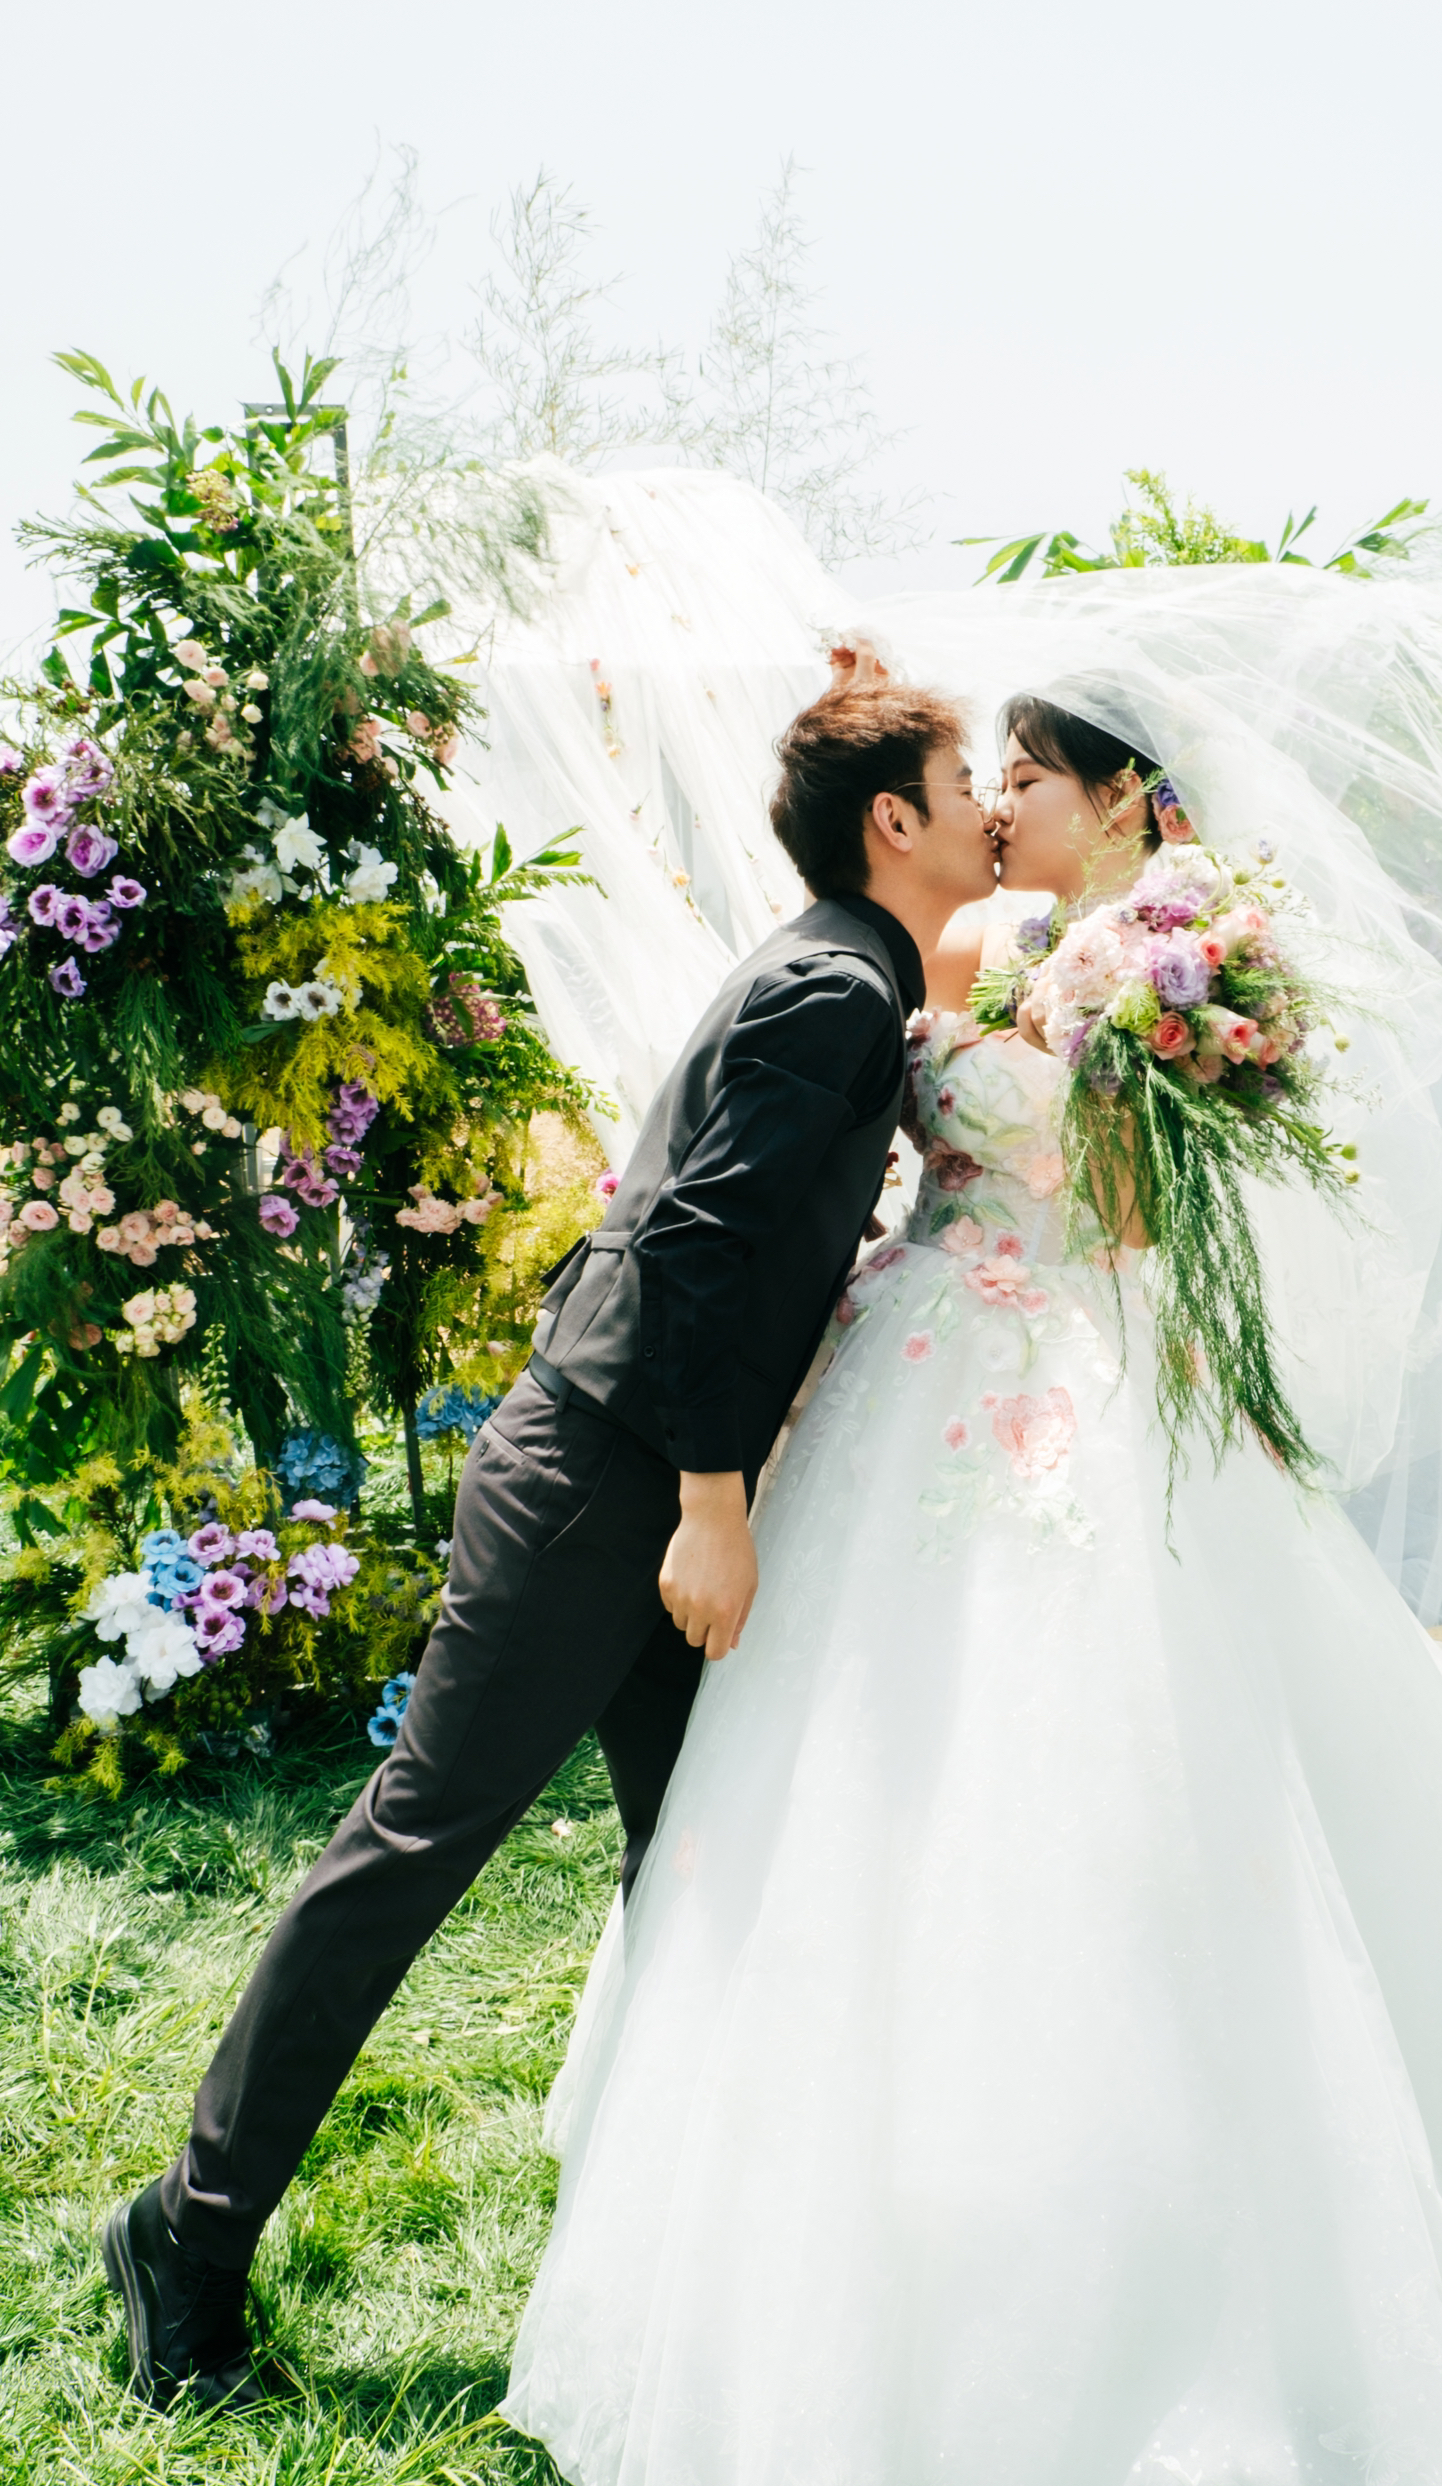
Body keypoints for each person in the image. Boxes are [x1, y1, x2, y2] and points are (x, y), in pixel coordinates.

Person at [501, 683, 1442, 2486]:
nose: (1001, 803)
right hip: (918, 1371)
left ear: (1125, 794)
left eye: (1029, 777)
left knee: (1117, 1758)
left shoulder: (1175, 956)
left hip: (1071, 1376)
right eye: (984, 778)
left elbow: (1142, 1214)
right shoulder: (999, 946)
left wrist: (1125, 1079)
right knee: (864, 1759)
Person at [99, 672, 997, 2414]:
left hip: (656, 1472)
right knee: (415, 1842)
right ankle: (185, 2237)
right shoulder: (831, 987)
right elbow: (695, 1249)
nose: (988, 803)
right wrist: (715, 1510)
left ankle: (696, 2259)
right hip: (607, 1483)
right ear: (895, 820)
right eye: (967, 778)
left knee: (707, 1861)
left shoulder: (858, 973)